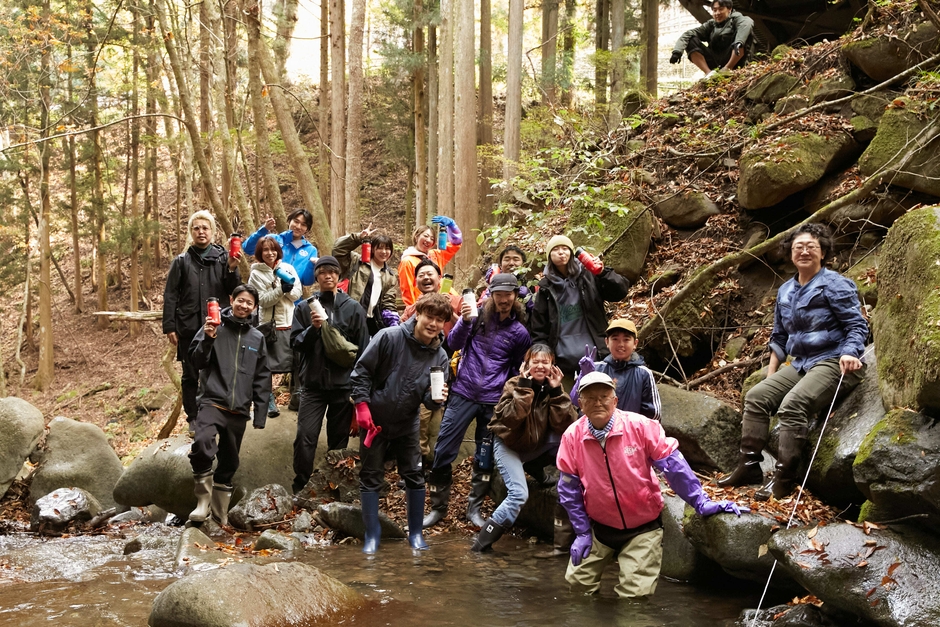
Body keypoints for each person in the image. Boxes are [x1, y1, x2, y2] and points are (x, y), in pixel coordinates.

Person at [557, 372, 746, 598]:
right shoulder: (572, 437)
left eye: (604, 396)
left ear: (615, 401)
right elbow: (568, 489)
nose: (598, 402)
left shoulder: (641, 427)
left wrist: (701, 502)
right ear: (580, 403)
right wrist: (581, 532)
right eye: (590, 397)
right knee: (577, 588)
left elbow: (675, 468)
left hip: (643, 526)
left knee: (633, 599)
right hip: (599, 526)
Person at [718, 223, 867, 501]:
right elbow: (779, 335)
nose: (804, 251)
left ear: (823, 252)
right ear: (790, 253)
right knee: (756, 396)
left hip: (835, 361)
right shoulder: (786, 290)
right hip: (801, 363)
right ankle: (749, 467)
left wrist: (850, 351)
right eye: (799, 247)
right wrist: (771, 374)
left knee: (793, 405)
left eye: (812, 246)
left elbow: (857, 325)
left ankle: (784, 478)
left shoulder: (835, 284)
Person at [423, 274, 531, 528]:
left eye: (508, 295)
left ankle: (474, 509)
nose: (504, 300)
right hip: (463, 392)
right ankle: (438, 507)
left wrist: (508, 394)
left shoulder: (520, 332)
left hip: (493, 401)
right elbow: (453, 342)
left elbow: (517, 368)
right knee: (443, 450)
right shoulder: (478, 316)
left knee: (484, 456)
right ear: (491, 295)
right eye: (499, 294)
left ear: (515, 297)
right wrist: (465, 321)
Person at [350, 293, 453, 553]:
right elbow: (361, 371)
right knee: (371, 476)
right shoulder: (389, 337)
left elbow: (430, 402)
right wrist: (362, 406)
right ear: (418, 313)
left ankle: (415, 535)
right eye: (430, 316)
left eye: (440, 320)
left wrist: (437, 398)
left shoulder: (439, 355)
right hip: (375, 422)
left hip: (408, 422)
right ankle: (372, 536)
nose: (433, 324)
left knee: (415, 477)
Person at [472, 344, 577, 552]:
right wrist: (524, 387)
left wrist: (557, 391)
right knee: (518, 495)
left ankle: (535, 467)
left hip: (535, 446)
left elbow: (567, 426)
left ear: (552, 365)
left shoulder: (555, 388)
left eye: (545, 362)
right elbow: (510, 419)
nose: (540, 366)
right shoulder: (514, 384)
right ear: (526, 365)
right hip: (509, 445)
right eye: (535, 361)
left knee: (566, 439)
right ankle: (481, 545)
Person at [187, 284, 271, 527]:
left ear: (255, 308)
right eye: (240, 300)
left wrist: (260, 414)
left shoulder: (257, 338)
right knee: (202, 443)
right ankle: (202, 502)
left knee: (230, 460)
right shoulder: (213, 327)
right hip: (213, 400)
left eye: (249, 303)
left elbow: (262, 376)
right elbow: (196, 360)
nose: (244, 306)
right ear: (232, 300)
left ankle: (220, 513)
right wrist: (208, 338)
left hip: (239, 408)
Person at [290, 256, 369, 493]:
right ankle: (301, 486)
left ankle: (333, 487)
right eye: (323, 272)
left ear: (339, 276)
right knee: (305, 437)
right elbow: (295, 343)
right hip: (313, 385)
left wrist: (359, 390)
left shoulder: (353, 308)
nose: (328, 276)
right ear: (316, 276)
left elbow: (363, 350)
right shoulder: (305, 307)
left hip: (342, 386)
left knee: (338, 442)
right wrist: (313, 330)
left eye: (332, 272)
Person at [163, 210, 241, 431]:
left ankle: (220, 412)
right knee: (190, 375)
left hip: (219, 326)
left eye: (205, 228)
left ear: (212, 232)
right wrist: (169, 325)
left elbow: (234, 290)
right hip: (189, 327)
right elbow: (170, 295)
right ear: (191, 232)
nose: (201, 232)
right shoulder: (181, 262)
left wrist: (233, 269)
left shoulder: (224, 258)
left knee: (220, 369)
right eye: (196, 228)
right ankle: (193, 418)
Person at [530, 234, 630, 380]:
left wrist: (603, 273)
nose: (561, 252)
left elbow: (619, 292)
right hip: (563, 364)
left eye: (565, 248)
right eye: (555, 249)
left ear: (571, 252)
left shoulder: (588, 275)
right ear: (549, 256)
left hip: (598, 357)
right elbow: (539, 329)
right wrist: (544, 357)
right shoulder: (545, 289)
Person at [247, 237, 302, 418]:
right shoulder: (256, 274)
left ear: (278, 251)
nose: (270, 253)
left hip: (290, 321)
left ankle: (297, 396)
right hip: (269, 324)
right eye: (265, 250)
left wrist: (287, 288)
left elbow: (297, 294)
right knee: (266, 364)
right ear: (260, 254)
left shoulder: (288, 268)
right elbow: (262, 300)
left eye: (273, 249)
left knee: (296, 361)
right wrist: (281, 290)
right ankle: (268, 400)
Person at [571, 319, 661, 420]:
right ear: (607, 342)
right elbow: (576, 402)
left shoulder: (643, 373)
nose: (620, 344)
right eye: (615, 339)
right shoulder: (595, 368)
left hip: (630, 431)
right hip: (595, 430)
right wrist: (583, 375)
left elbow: (653, 414)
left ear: (635, 343)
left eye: (626, 339)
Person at [332, 227, 401, 337]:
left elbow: (388, 302)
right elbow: (337, 249)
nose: (384, 252)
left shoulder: (390, 276)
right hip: (347, 317)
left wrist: (393, 321)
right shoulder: (356, 261)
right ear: (373, 249)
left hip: (371, 321)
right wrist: (358, 238)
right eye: (380, 248)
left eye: (387, 248)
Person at [669, 0, 754, 80]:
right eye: (714, 10)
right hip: (715, 60)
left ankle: (728, 68)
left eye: (721, 9)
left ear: (729, 9)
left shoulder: (738, 19)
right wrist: (677, 51)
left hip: (734, 60)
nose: (717, 13)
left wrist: (739, 42)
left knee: (744, 35)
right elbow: (688, 34)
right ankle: (709, 73)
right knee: (690, 39)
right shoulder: (711, 25)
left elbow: (747, 23)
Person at [243, 209, 319, 288]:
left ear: (307, 229)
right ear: (289, 221)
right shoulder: (272, 239)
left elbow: (307, 281)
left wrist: (312, 265)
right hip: (264, 289)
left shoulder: (310, 250)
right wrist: (264, 230)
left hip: (292, 295)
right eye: (296, 221)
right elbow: (248, 249)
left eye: (303, 224)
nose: (298, 226)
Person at [398, 216, 462, 307]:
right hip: (425, 305)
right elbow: (407, 291)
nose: (428, 240)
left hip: (445, 300)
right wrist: (414, 311)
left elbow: (456, 244)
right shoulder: (407, 261)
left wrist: (452, 226)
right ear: (416, 237)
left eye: (432, 238)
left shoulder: (435, 255)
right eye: (426, 236)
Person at [478, 245, 534, 314]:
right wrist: (492, 286)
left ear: (524, 265)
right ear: (500, 266)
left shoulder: (532, 285)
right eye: (507, 260)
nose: (511, 263)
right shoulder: (492, 285)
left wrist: (529, 299)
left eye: (516, 259)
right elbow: (480, 309)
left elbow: (540, 315)